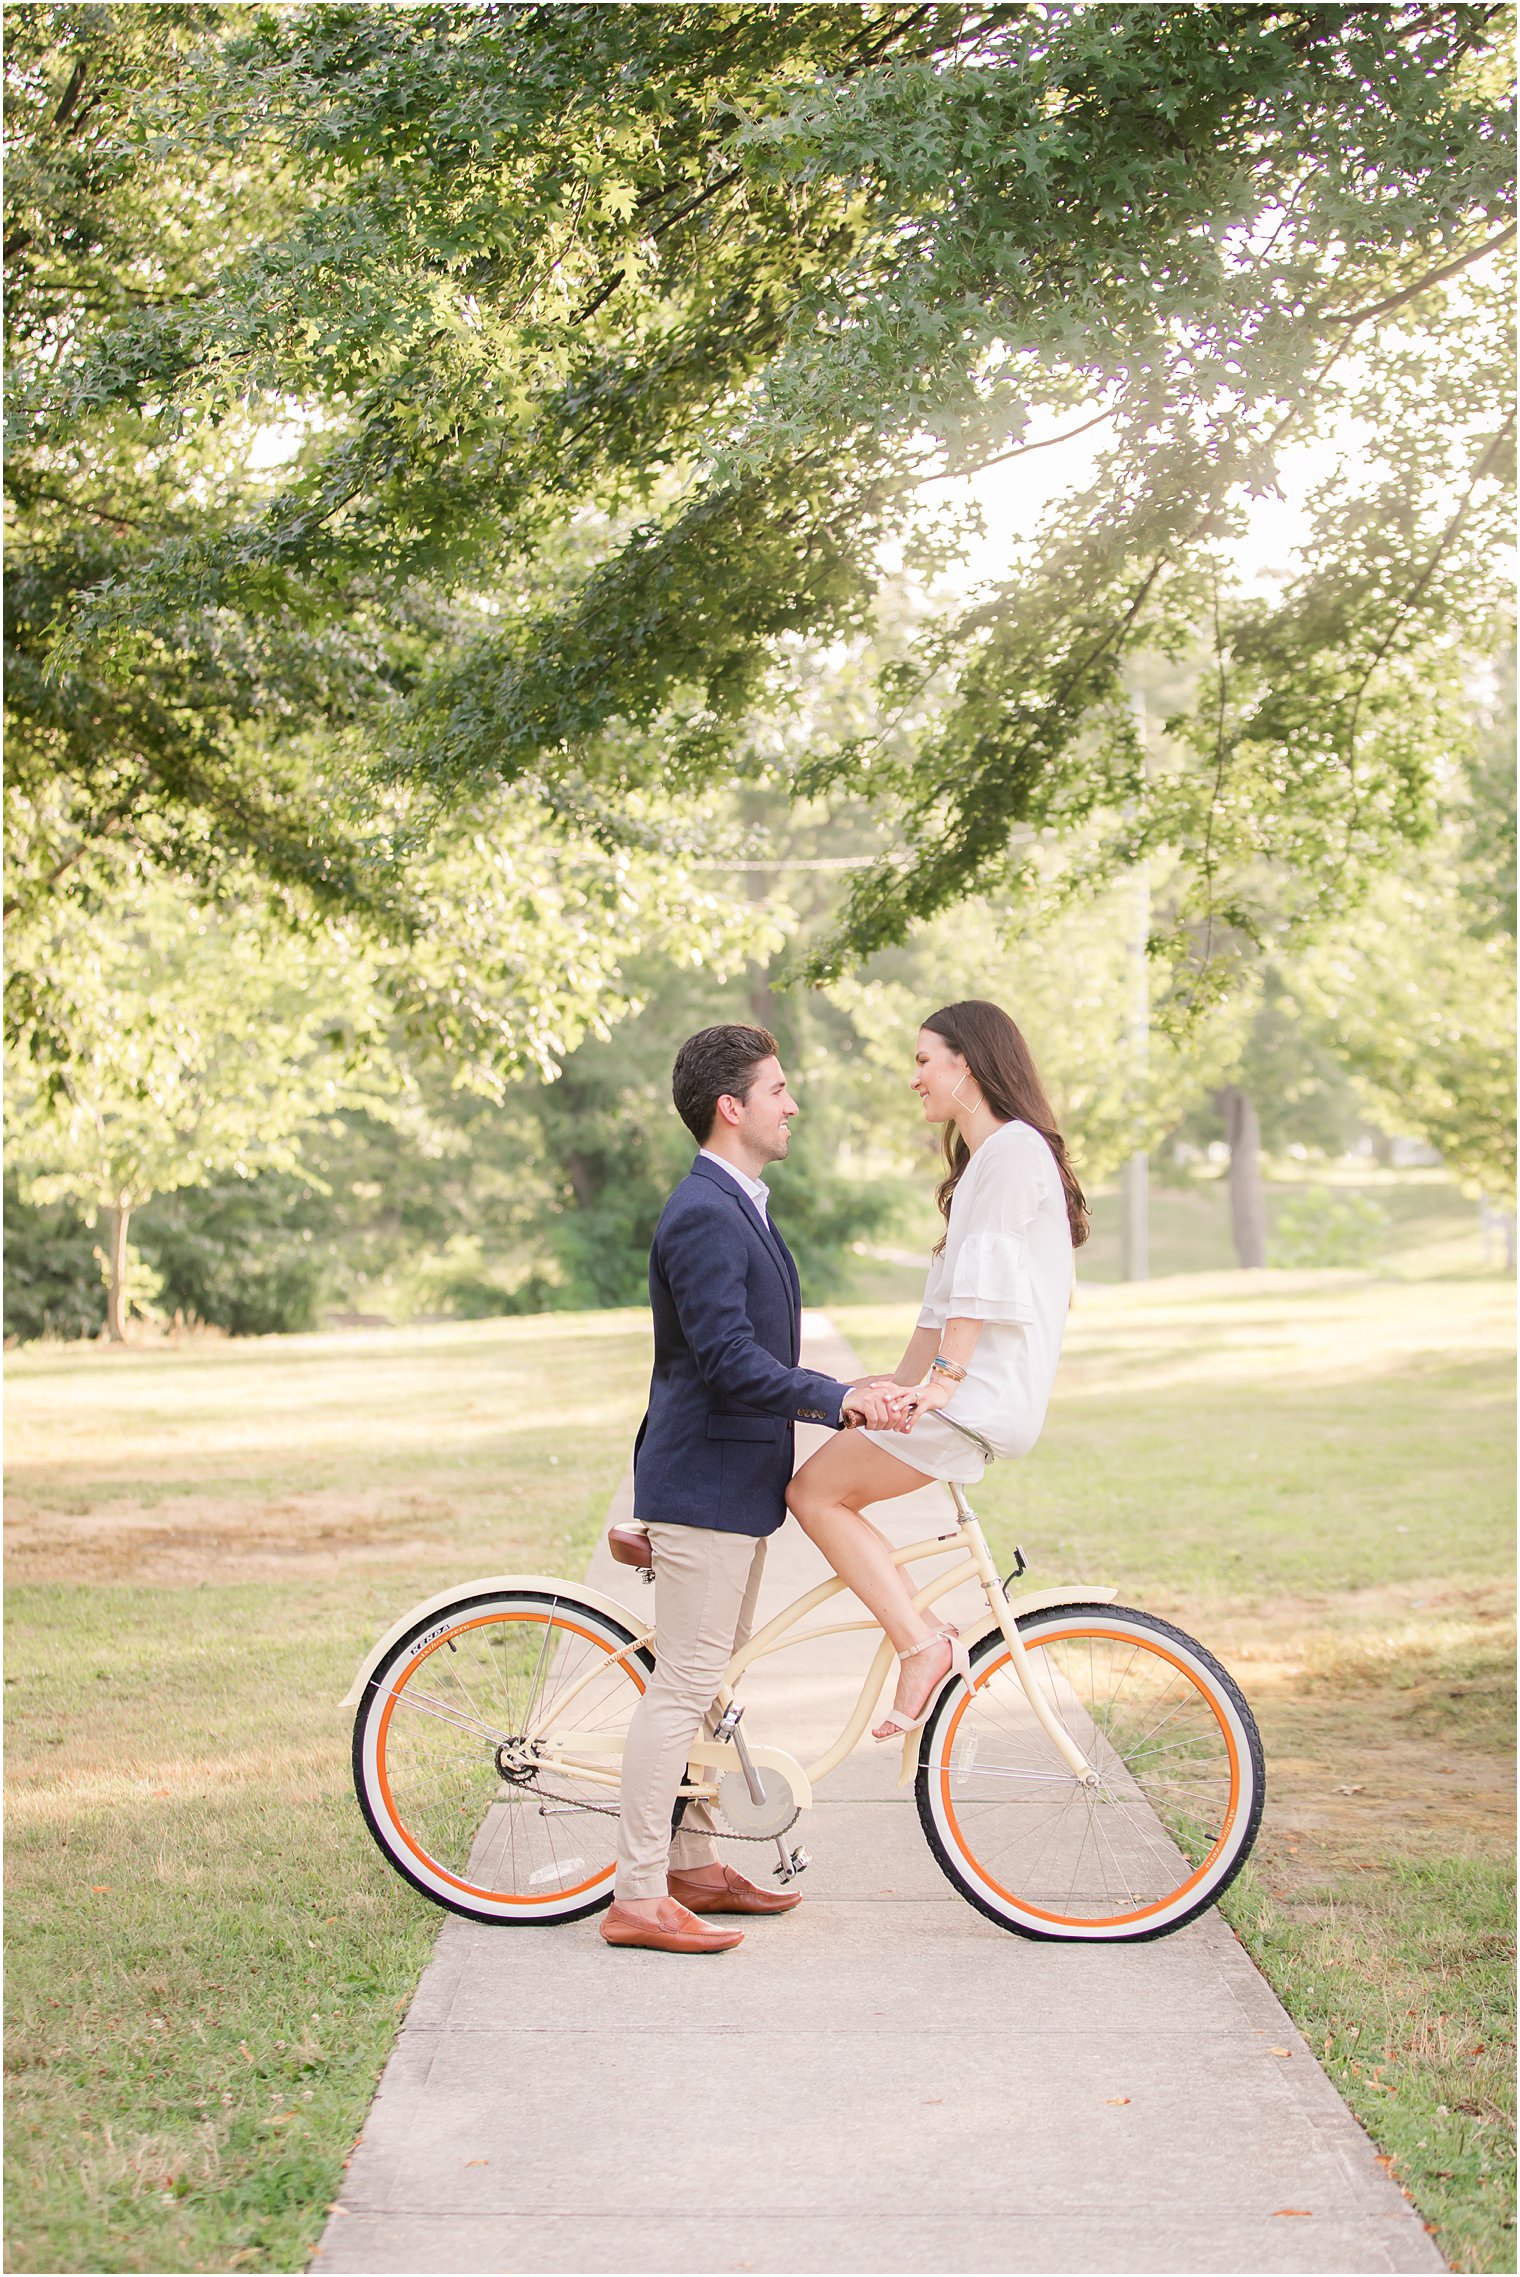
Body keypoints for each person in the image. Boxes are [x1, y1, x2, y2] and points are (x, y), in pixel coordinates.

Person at [602, 1022, 911, 1955]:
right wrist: (842, 1399)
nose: (792, 1103)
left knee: (708, 1681)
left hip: (730, 1483)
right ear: (732, 1106)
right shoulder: (703, 1210)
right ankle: (637, 1893)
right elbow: (728, 1364)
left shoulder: (741, 1203)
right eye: (778, 1089)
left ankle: (691, 1865)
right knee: (687, 1681)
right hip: (703, 1484)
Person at [786, 999, 1089, 1741]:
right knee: (819, 1489)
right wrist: (886, 1390)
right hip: (966, 1394)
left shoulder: (1015, 1151)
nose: (915, 1078)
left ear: (969, 1064)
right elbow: (939, 1312)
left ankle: (923, 1644)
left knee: (814, 1492)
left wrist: (942, 1384)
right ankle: (922, 1635)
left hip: (978, 1398)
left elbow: (981, 1286)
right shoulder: (992, 1159)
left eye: (925, 1060)